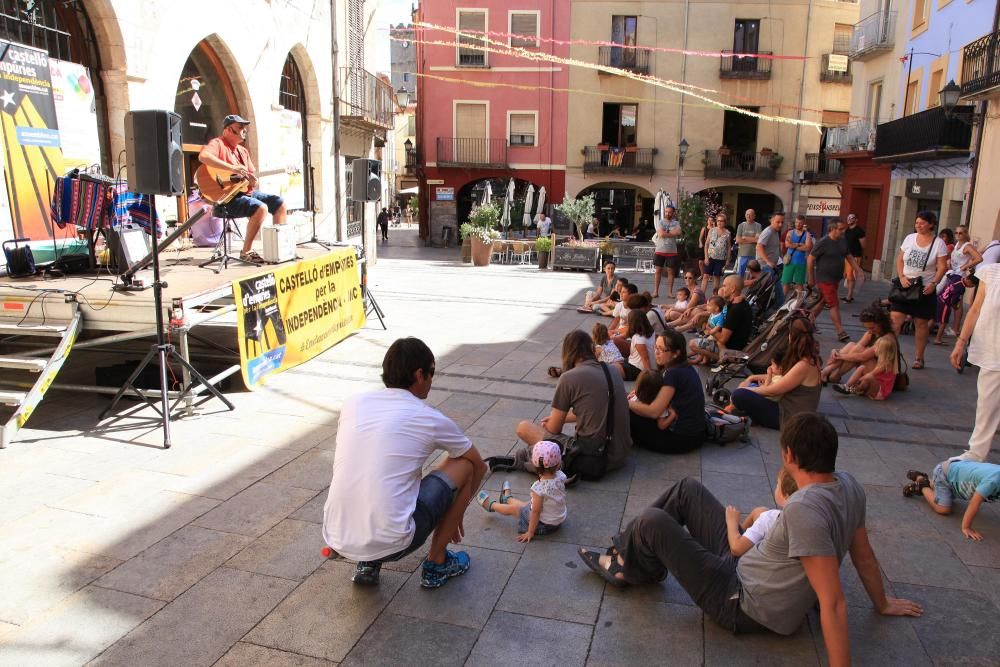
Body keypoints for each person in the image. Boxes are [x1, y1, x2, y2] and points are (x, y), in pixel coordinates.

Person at [577, 412, 923, 664]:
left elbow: (832, 602)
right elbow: (864, 555)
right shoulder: (849, 485)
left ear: (790, 456)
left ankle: (629, 564)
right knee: (687, 489)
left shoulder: (804, 509)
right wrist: (881, 603)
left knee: (653, 521)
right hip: (746, 561)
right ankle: (629, 554)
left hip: (740, 601)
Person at [322, 337, 487, 588]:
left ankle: (368, 563)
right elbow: (479, 465)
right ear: (419, 375)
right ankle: (437, 564)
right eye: (432, 373)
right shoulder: (428, 417)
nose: (432, 380)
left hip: (337, 536)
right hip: (394, 543)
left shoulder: (353, 404)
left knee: (381, 471)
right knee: (465, 465)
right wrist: (456, 512)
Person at [510, 330, 631, 479]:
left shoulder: (569, 378)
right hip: (621, 452)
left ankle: (554, 467)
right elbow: (597, 409)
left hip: (596, 457)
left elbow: (554, 428)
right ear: (592, 348)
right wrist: (564, 417)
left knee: (524, 428)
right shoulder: (611, 369)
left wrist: (552, 422)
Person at [198, 114, 287, 263]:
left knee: (280, 204)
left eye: (245, 128)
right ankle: (246, 251)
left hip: (244, 193)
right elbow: (203, 156)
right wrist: (232, 168)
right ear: (228, 130)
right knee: (261, 208)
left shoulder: (243, 151)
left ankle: (281, 250)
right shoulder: (218, 143)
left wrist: (252, 180)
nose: (244, 130)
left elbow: (251, 180)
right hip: (226, 199)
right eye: (240, 127)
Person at [730, 316, 822, 429]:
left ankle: (751, 414)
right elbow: (782, 377)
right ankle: (751, 413)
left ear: (791, 336)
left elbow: (772, 391)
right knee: (751, 387)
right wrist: (752, 378)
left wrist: (745, 389)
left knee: (739, 395)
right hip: (788, 408)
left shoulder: (804, 365)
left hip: (789, 417)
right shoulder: (810, 358)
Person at [950, 261, 1000, 462]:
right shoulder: (991, 273)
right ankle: (976, 454)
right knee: (986, 405)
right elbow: (975, 310)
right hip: (993, 350)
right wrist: (960, 342)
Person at [628, 330, 705, 455]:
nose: (656, 352)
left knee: (626, 411)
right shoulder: (686, 367)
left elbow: (654, 412)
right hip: (697, 433)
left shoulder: (672, 374)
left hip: (681, 439)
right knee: (634, 404)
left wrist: (625, 402)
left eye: (661, 349)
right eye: (656, 347)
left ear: (676, 353)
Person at [890, 211, 949, 370]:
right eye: (917, 223)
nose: (918, 226)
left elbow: (942, 266)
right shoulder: (910, 238)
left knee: (921, 323)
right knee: (895, 320)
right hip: (904, 286)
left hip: (924, 289)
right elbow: (900, 259)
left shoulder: (938, 243)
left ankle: (919, 357)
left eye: (922, 223)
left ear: (931, 224)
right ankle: (889, 354)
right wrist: (901, 276)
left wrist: (934, 283)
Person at [478, 441, 567, 542]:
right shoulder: (561, 476)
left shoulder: (539, 488)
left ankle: (491, 506)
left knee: (515, 509)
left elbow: (536, 512)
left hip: (544, 525)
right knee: (529, 505)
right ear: (558, 463)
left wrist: (530, 532)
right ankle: (507, 499)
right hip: (557, 520)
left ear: (533, 464)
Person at [903, 460, 1000, 541]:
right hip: (944, 475)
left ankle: (925, 480)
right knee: (943, 509)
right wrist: (966, 527)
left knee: (944, 492)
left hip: (956, 476)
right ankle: (922, 485)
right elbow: (974, 503)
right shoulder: (992, 481)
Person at [725, 468, 798, 558]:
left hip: (749, 559)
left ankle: (740, 536)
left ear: (786, 496)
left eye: (777, 484)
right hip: (775, 553)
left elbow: (736, 549)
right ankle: (744, 532)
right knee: (759, 510)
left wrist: (732, 522)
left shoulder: (768, 520)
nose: (776, 487)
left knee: (760, 515)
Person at [808, 219, 860, 343]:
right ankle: (840, 331)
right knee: (834, 304)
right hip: (824, 279)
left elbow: (848, 256)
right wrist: (811, 278)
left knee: (822, 301)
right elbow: (810, 259)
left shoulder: (842, 241)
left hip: (835, 279)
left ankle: (808, 322)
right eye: (840, 229)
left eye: (843, 229)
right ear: (832, 229)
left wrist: (859, 270)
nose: (843, 231)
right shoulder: (823, 242)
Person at [821, 305, 895, 385]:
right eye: (867, 328)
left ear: (881, 324)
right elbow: (856, 347)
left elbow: (863, 356)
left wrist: (839, 355)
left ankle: (833, 375)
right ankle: (826, 371)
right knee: (851, 345)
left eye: (872, 328)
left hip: (880, 372)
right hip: (869, 365)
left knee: (858, 352)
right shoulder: (871, 333)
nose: (870, 331)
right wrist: (836, 351)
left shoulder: (887, 339)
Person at [688, 274, 753, 365]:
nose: (722, 288)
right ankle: (701, 357)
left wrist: (709, 328)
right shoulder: (740, 303)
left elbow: (723, 339)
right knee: (703, 338)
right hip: (737, 343)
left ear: (733, 288)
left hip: (730, 348)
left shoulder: (735, 309)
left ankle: (727, 359)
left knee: (692, 344)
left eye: (724, 286)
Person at [933, 226, 982, 344]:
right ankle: (946, 327)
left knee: (954, 303)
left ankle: (954, 329)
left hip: (959, 277)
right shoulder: (956, 245)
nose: (958, 235)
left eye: (960, 233)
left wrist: (966, 266)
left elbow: (979, 258)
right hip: (952, 274)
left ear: (965, 234)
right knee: (945, 298)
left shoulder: (967, 246)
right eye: (956, 233)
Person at [832, 334, 899, 400]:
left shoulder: (885, 364)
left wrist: (859, 381)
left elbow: (870, 375)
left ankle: (853, 388)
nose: (874, 348)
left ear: (883, 351)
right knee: (862, 368)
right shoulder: (884, 361)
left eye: (877, 347)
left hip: (880, 393)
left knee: (868, 377)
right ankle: (848, 386)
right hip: (876, 386)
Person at [756, 212, 786, 308]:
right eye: (778, 222)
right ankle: (773, 311)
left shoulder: (775, 232)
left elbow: (775, 248)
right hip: (765, 266)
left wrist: (781, 258)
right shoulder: (768, 232)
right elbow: (759, 247)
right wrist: (768, 261)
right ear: (771, 220)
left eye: (782, 222)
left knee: (769, 293)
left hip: (772, 265)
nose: (780, 224)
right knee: (779, 295)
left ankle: (767, 310)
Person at [652, 205, 682, 298]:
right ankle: (656, 291)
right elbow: (661, 234)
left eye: (669, 212)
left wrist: (666, 233)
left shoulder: (676, 223)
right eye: (666, 212)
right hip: (660, 249)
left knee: (671, 272)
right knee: (658, 271)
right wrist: (672, 233)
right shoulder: (660, 222)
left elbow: (678, 233)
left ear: (673, 213)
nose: (668, 213)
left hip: (672, 251)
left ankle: (670, 292)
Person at [781, 215, 812, 299]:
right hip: (789, 261)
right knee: (786, 283)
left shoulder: (807, 234)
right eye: (796, 222)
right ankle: (781, 302)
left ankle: (799, 303)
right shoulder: (790, 232)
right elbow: (787, 245)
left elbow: (808, 247)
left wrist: (793, 244)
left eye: (800, 223)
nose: (798, 224)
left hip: (801, 263)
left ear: (803, 223)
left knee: (799, 284)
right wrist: (799, 244)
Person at [688, 296, 726, 365]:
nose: (707, 307)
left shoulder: (720, 317)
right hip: (711, 334)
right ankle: (704, 360)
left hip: (716, 335)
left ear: (717, 308)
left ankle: (722, 358)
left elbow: (718, 327)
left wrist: (710, 331)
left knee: (718, 344)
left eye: (709, 306)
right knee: (704, 344)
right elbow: (708, 322)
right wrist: (706, 327)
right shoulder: (712, 314)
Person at [621, 309, 656, 381]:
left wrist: (650, 377)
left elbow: (645, 358)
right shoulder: (652, 332)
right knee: (617, 360)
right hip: (633, 362)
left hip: (637, 368)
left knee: (612, 368)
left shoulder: (638, 338)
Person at [703, 214, 732, 294]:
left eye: (721, 221)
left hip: (720, 258)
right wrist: (706, 257)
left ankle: (715, 295)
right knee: (705, 276)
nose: (719, 222)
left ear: (725, 222)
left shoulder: (727, 233)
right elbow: (706, 244)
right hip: (710, 257)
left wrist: (728, 260)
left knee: (716, 276)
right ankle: (701, 295)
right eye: (718, 221)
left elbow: (728, 247)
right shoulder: (712, 230)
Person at [842, 214, 866, 303]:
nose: (849, 219)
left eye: (851, 218)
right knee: (848, 276)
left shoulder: (859, 231)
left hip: (855, 256)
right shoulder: (847, 230)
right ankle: (849, 295)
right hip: (847, 256)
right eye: (848, 218)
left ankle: (849, 297)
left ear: (856, 220)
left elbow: (864, 245)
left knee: (851, 276)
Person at [736, 209, 762, 277]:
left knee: (753, 274)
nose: (748, 216)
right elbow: (738, 240)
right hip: (742, 254)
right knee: (740, 274)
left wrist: (745, 238)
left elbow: (758, 240)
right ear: (745, 215)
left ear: (754, 216)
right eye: (747, 214)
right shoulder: (741, 225)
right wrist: (753, 239)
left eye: (750, 215)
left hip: (754, 254)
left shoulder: (758, 226)